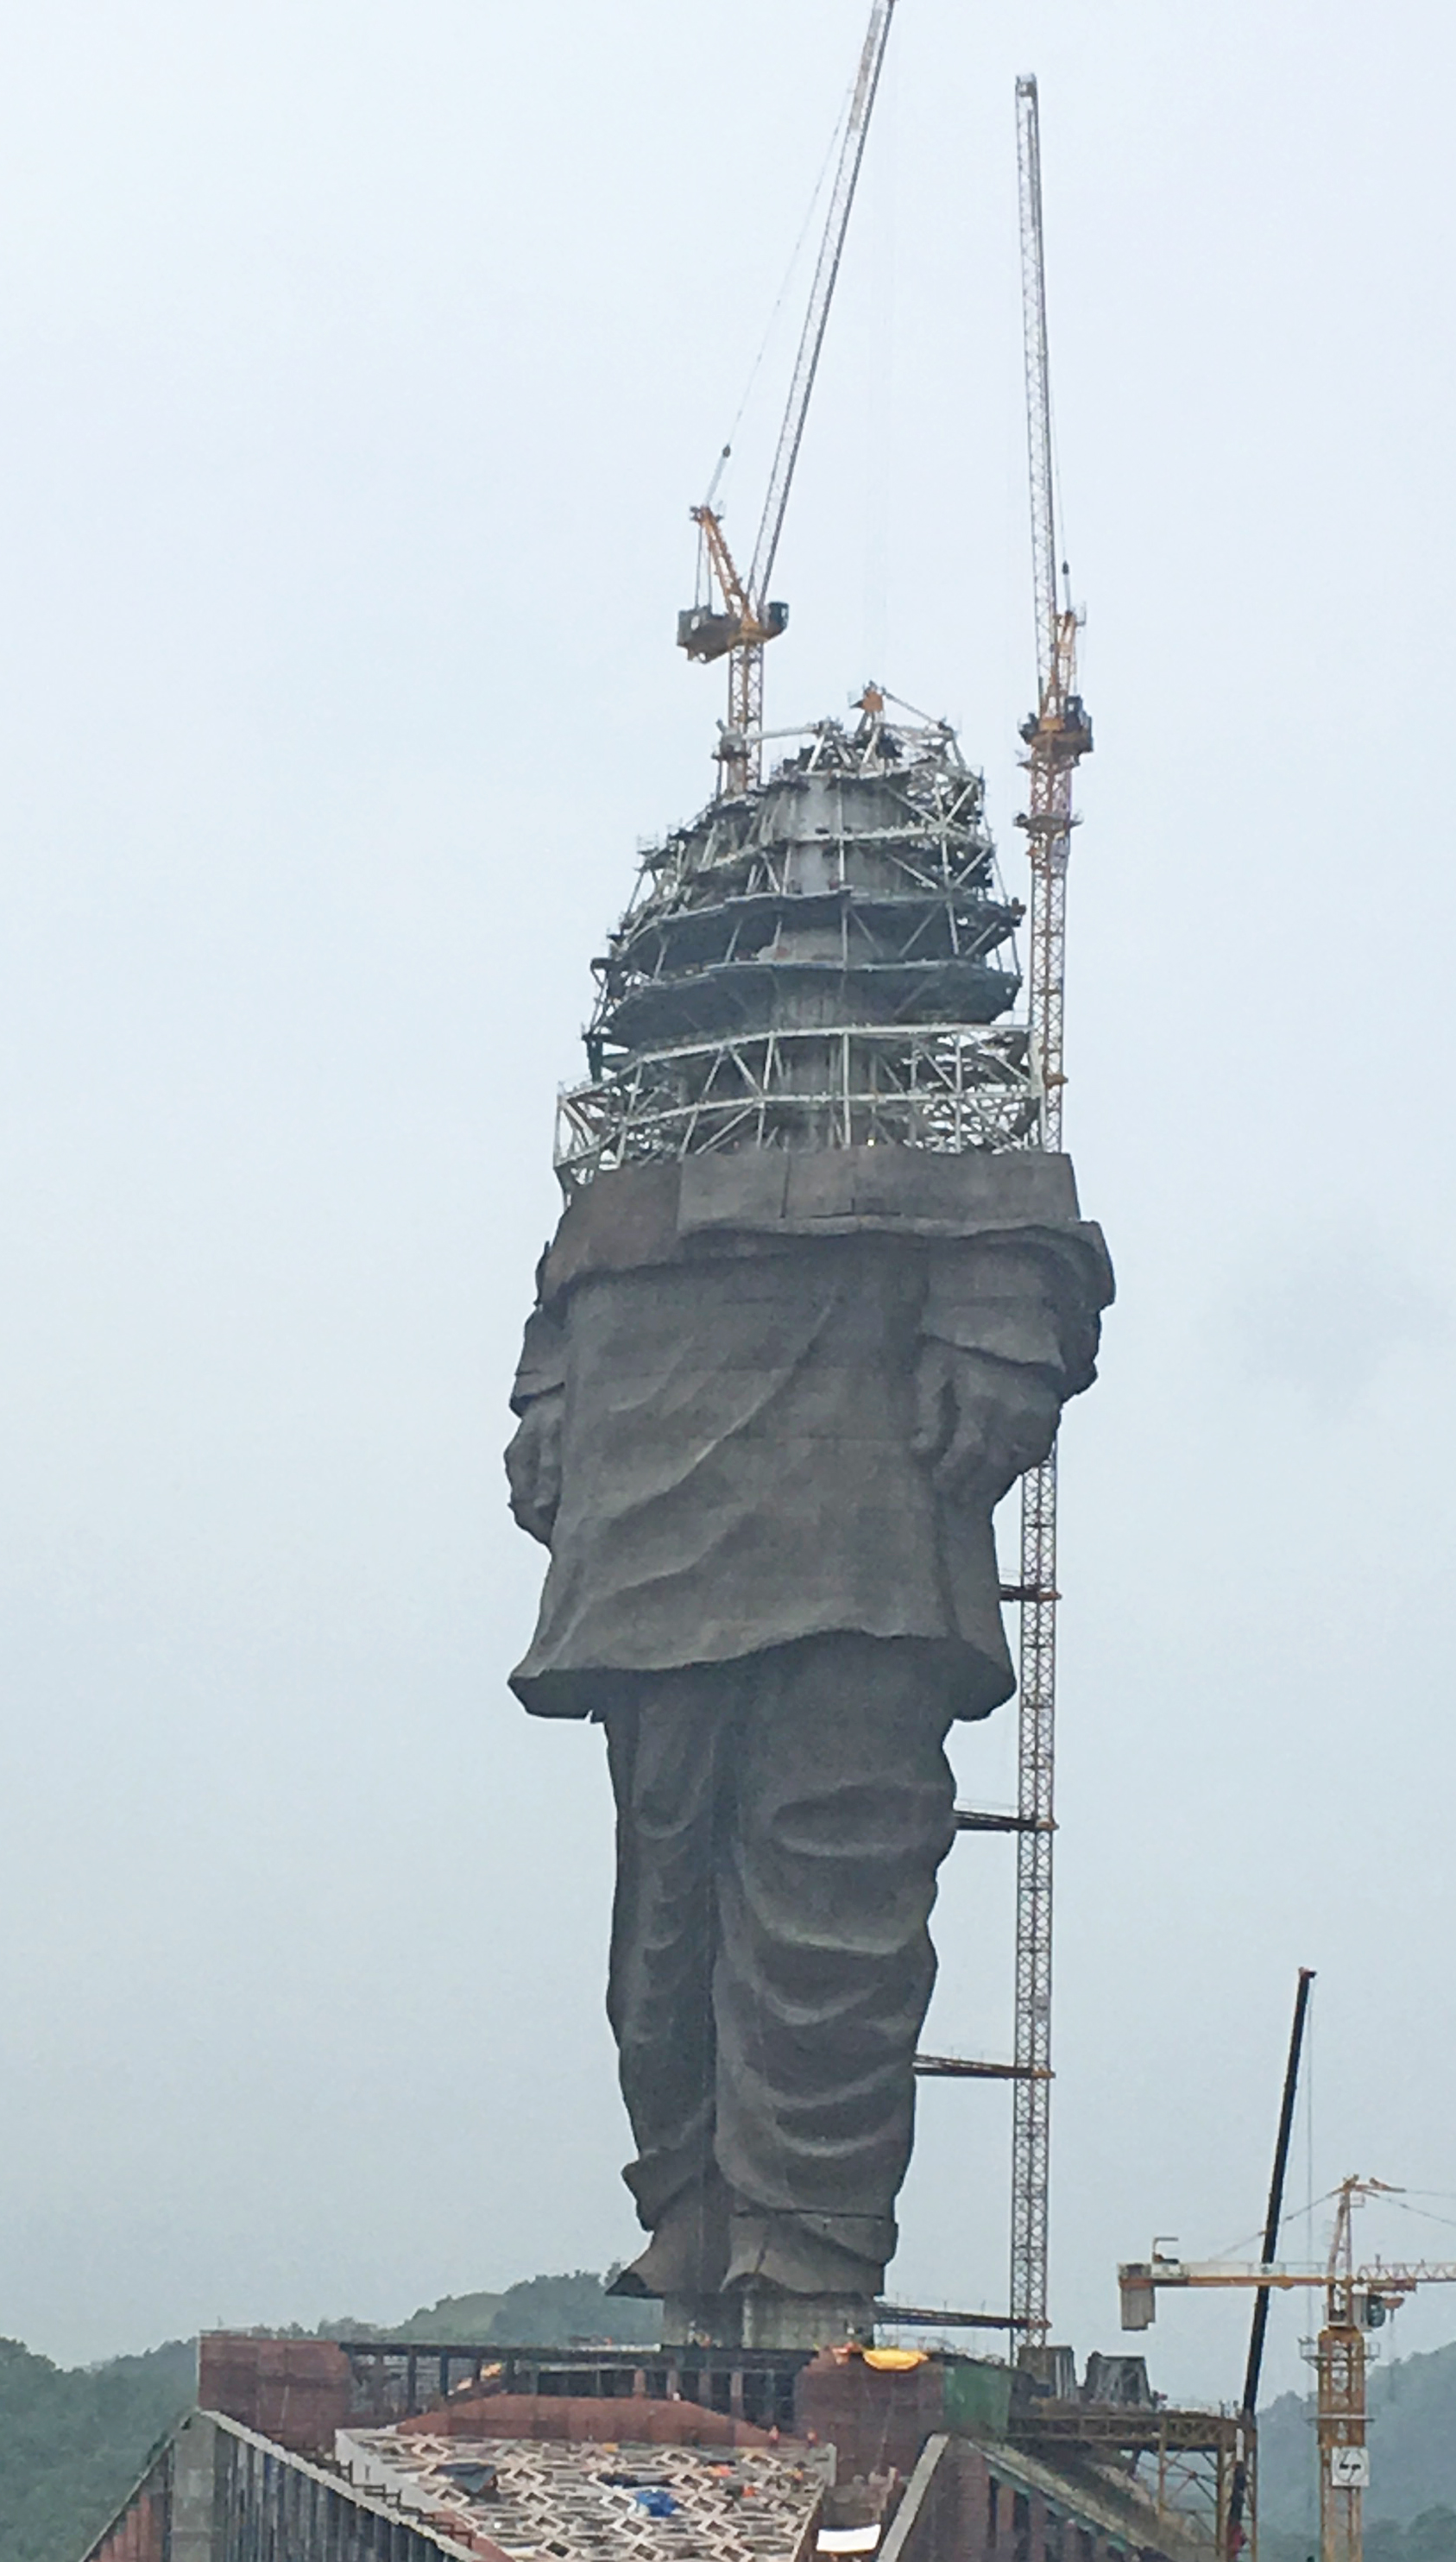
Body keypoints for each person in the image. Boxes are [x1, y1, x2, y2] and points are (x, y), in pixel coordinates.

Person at [508, 717, 1112, 2348]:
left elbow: (1033, 1279)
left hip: (855, 1551)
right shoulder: (631, 1174)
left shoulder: (968, 1158)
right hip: (653, 1554)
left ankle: (811, 2265)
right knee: (663, 1929)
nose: (798, 942)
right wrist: (554, 1417)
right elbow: (551, 1354)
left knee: (835, 1905)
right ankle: (697, 2231)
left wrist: (991, 1328)